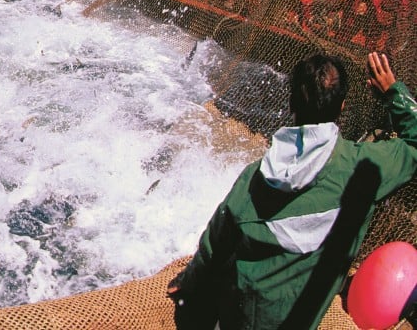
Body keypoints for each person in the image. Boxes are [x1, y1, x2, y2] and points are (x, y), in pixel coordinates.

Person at [169, 52, 417, 330]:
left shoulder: (254, 177)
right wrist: (394, 94)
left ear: (290, 103)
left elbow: (214, 246)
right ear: (343, 106)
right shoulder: (362, 170)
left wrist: (188, 283)